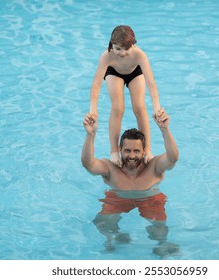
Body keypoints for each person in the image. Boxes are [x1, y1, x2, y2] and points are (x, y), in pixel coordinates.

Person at [81, 109, 179, 258]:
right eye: (127, 150)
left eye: (136, 151)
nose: (131, 155)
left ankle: (162, 244)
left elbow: (172, 158)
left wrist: (165, 130)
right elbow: (88, 164)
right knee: (101, 223)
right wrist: (90, 135)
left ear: (144, 151)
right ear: (120, 150)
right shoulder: (111, 168)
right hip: (118, 199)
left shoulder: (154, 167)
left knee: (159, 228)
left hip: (150, 198)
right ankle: (114, 237)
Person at [88, 25, 163, 167]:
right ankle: (114, 151)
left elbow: (151, 83)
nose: (122, 53)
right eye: (118, 49)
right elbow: (96, 84)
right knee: (118, 108)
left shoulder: (140, 55)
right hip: (114, 72)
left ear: (133, 45)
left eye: (126, 49)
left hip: (134, 72)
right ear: (111, 45)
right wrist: (93, 109)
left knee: (140, 107)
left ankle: (147, 149)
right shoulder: (107, 56)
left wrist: (156, 107)